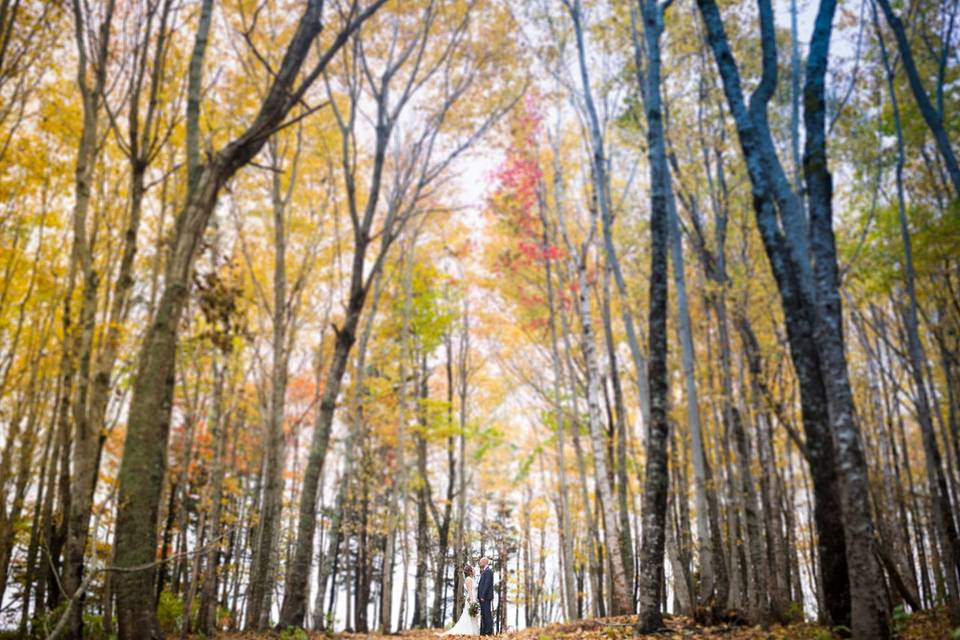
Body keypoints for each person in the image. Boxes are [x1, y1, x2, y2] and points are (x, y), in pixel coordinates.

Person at [439, 564, 480, 636]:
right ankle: (469, 632)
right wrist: (473, 603)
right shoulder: (468, 579)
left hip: (473, 599)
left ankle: (474, 632)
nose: (474, 570)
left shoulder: (471, 579)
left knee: (472, 617)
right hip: (471, 600)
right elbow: (470, 591)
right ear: (470, 571)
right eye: (473, 569)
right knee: (470, 616)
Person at [476, 556, 495, 635]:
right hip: (482, 598)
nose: (479, 563)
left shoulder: (488, 571)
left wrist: (483, 596)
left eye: (480, 562)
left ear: (485, 562)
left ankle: (489, 632)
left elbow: (486, 585)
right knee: (483, 614)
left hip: (485, 597)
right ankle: (484, 631)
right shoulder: (484, 571)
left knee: (487, 614)